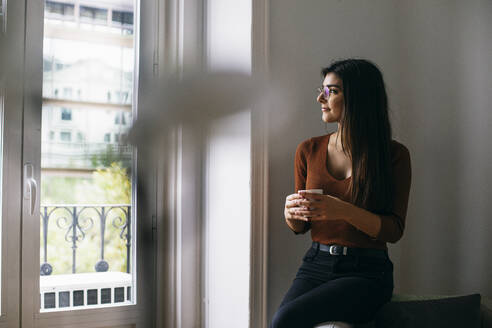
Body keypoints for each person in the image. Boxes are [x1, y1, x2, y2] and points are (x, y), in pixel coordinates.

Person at [270, 59, 412, 328]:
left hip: (368, 272)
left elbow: (393, 230)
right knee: (280, 323)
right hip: (316, 263)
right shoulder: (308, 150)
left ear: (359, 98)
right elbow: (300, 226)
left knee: (286, 320)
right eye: (322, 90)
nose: (320, 98)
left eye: (331, 91)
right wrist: (290, 213)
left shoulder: (394, 156)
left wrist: (341, 209)